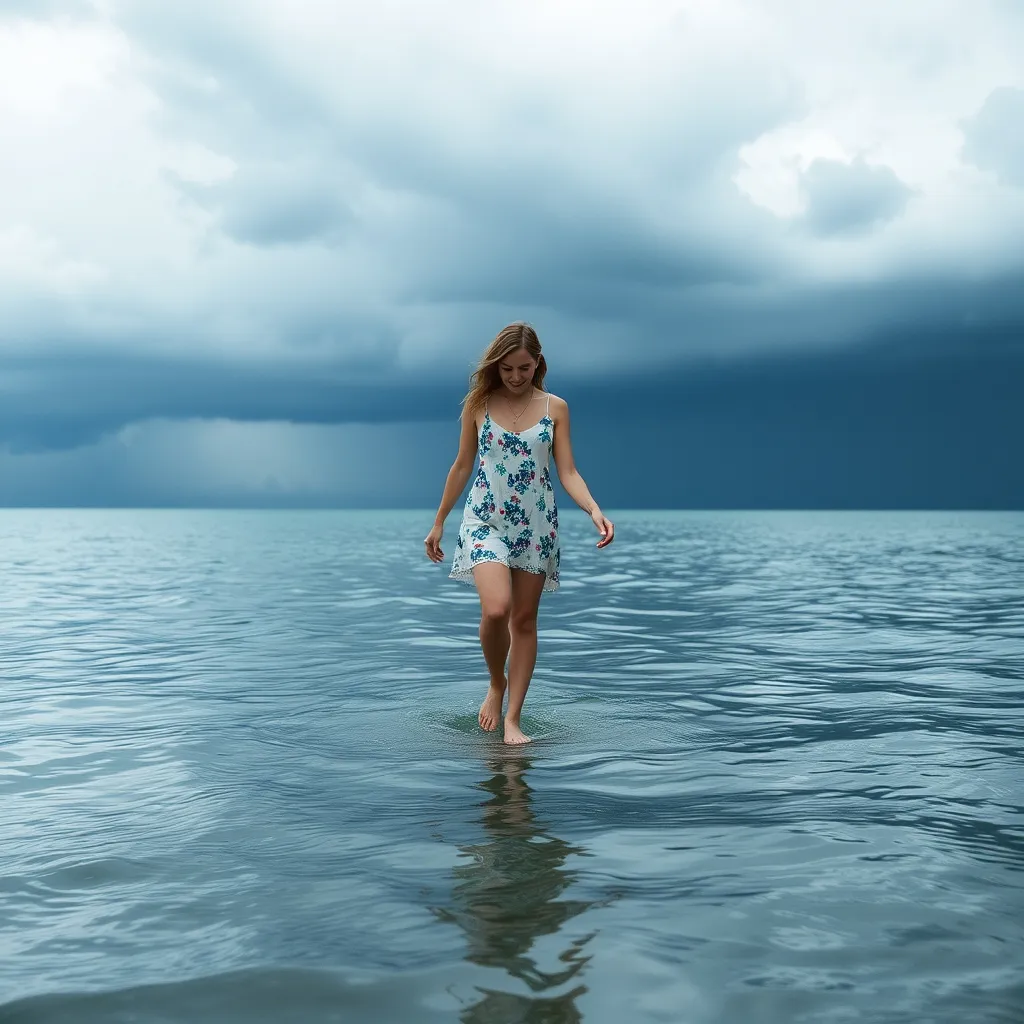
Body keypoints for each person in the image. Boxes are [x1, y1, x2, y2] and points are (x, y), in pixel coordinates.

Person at [424, 322, 614, 745]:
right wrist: (438, 521)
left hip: (536, 524)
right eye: (507, 368)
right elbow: (461, 466)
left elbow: (567, 471)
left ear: (538, 364)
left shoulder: (555, 408)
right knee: (496, 610)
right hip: (484, 520)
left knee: (524, 620)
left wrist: (594, 510)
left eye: (524, 368)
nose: (515, 376)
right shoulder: (479, 403)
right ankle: (497, 681)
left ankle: (513, 720)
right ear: (496, 366)